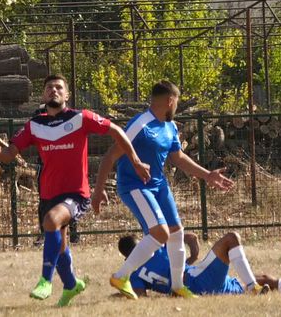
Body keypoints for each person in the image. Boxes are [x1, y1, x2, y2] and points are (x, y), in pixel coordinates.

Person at [0, 74, 150, 307]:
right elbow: (9, 155)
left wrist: (135, 160)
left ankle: (45, 280)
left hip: (76, 194)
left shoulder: (80, 118)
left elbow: (115, 130)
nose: (53, 90)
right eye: (49, 88)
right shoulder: (34, 125)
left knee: (53, 221)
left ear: (66, 95)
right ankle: (72, 284)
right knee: (60, 244)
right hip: (48, 194)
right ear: (44, 95)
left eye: (58, 87)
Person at [94, 79, 234, 300]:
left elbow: (178, 158)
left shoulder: (170, 126)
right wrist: (98, 189)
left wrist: (207, 175)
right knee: (160, 233)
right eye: (176, 102)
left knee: (176, 232)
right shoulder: (140, 124)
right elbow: (110, 156)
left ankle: (178, 287)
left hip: (159, 185)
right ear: (170, 101)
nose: (176, 107)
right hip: (134, 186)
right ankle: (121, 276)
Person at [117, 230, 281, 296]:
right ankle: (253, 288)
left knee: (266, 279)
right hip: (198, 279)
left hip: (201, 287)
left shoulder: (134, 275)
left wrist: (118, 294)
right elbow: (190, 242)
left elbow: (139, 299)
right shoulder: (159, 250)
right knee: (231, 239)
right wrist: (192, 252)